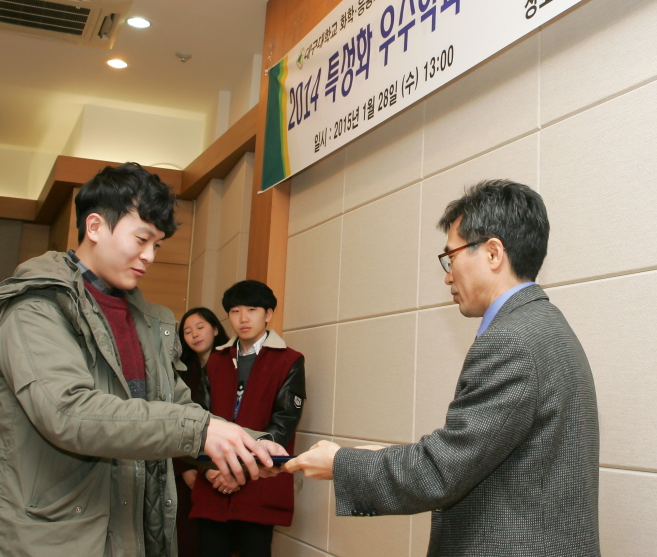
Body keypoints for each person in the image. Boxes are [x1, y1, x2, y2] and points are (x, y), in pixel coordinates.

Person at [0, 163, 285, 557]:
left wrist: (251, 444)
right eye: (141, 239)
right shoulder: (35, 308)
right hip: (47, 535)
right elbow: (69, 413)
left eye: (157, 245)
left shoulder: (148, 321)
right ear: (95, 227)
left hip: (127, 526)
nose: (149, 256)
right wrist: (200, 430)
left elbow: (176, 407)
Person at [286, 180, 600, 556]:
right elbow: (477, 454)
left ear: (493, 253)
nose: (448, 275)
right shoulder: (545, 324)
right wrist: (373, 458)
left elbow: (440, 472)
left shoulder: (511, 341)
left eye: (451, 257)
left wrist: (341, 464)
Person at [190, 281, 305, 557]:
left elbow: (283, 425)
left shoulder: (289, 360)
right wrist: (211, 470)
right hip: (213, 480)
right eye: (235, 311)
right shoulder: (216, 361)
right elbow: (198, 419)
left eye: (252, 310)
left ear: (268, 314)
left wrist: (237, 471)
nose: (243, 318)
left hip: (258, 485)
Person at [173, 308, 229, 557]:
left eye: (200, 327)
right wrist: (184, 467)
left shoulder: (233, 365)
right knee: (188, 537)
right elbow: (173, 422)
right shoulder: (181, 374)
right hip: (187, 462)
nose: (194, 334)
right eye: (187, 331)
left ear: (215, 329)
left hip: (225, 465)